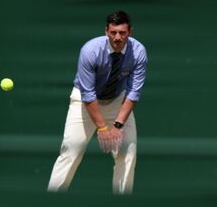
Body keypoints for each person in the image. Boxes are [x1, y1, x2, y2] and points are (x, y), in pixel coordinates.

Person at [47, 10, 148, 195]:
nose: (117, 37)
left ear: (130, 32)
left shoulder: (139, 52)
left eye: (122, 33)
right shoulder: (90, 50)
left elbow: (133, 93)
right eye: (113, 32)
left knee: (127, 153)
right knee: (71, 150)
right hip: (84, 102)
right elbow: (88, 94)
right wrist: (102, 128)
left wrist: (118, 125)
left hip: (118, 100)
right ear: (106, 31)